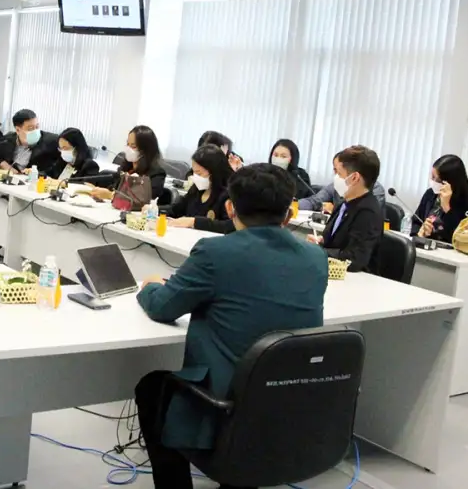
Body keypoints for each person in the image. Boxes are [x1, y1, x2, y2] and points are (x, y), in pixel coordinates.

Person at [134, 164, 328, 489]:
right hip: (290, 401)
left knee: (152, 388)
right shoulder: (315, 257)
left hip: (227, 405)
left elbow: (163, 307)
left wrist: (151, 285)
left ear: (230, 208)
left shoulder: (215, 252)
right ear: (289, 213)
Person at [308, 145, 383, 272]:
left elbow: (353, 258)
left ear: (354, 178)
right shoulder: (344, 203)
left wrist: (318, 252)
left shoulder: (368, 212)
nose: (335, 178)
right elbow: (332, 242)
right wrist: (320, 242)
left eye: (339, 173)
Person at [89, 125, 167, 205]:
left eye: (133, 146)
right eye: (128, 144)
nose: (128, 149)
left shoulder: (156, 173)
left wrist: (111, 195)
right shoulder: (126, 168)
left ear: (146, 150)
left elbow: (143, 199)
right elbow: (114, 188)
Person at [412, 154, 468, 243]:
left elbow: (461, 237)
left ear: (450, 182)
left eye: (437, 179)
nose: (432, 181)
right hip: (424, 246)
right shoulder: (430, 194)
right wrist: (420, 233)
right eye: (432, 177)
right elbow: (416, 221)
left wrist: (447, 208)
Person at [168, 145, 232, 229]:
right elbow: (176, 210)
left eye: (199, 173)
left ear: (214, 172)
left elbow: (230, 226)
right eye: (194, 172)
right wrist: (156, 210)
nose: (195, 177)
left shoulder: (227, 196)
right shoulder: (196, 190)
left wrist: (194, 222)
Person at [0, 108, 58, 174]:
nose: (35, 131)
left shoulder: (51, 141)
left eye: (37, 126)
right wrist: (6, 166)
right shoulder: (8, 139)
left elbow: (58, 167)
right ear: (18, 130)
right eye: (30, 128)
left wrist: (38, 173)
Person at [298, 174, 387, 213]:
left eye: (340, 171)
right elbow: (313, 201)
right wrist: (293, 205)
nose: (336, 175)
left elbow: (363, 216)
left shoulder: (376, 190)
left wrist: (334, 210)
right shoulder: (338, 183)